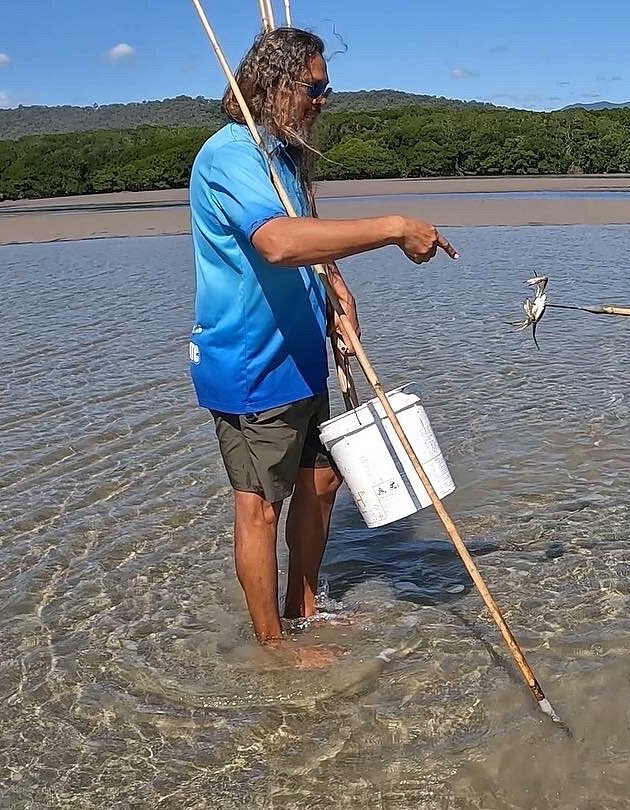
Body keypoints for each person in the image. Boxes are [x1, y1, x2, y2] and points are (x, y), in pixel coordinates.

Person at [188, 27, 457, 653]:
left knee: (322, 480)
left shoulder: (280, 154)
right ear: (277, 85)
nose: (324, 99)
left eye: (327, 87)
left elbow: (305, 234)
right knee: (260, 505)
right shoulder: (230, 155)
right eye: (316, 86)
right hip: (251, 361)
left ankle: (304, 607)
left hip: (299, 351)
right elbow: (279, 242)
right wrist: (394, 227)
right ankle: (273, 645)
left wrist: (336, 288)